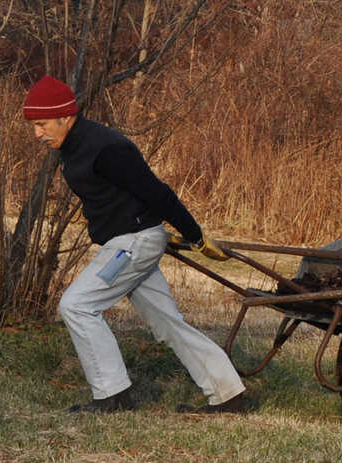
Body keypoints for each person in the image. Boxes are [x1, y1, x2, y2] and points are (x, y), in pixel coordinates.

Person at [22, 75, 250, 414]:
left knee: (77, 305)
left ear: (65, 116)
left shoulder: (107, 148)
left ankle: (113, 396)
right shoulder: (72, 147)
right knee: (167, 321)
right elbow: (116, 198)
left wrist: (195, 235)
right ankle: (229, 392)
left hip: (131, 244)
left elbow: (156, 192)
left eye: (41, 124)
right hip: (129, 239)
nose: (37, 134)